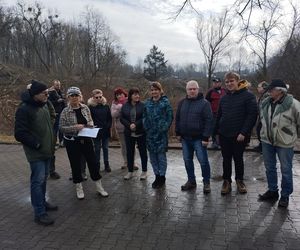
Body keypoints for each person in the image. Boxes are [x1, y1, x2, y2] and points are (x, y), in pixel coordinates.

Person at [14, 80, 58, 226]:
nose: (47, 95)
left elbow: (51, 117)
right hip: (36, 152)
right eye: (44, 93)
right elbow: (19, 133)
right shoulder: (24, 109)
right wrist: (37, 144)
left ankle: (43, 202)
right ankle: (39, 213)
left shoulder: (44, 104)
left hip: (47, 150)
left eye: (47, 93)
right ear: (34, 95)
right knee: (37, 181)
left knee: (43, 179)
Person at [59, 86, 108, 199]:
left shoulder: (85, 107)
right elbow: (61, 128)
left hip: (86, 139)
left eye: (77, 95)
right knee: (75, 164)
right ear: (68, 97)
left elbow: (90, 119)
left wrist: (90, 124)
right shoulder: (65, 111)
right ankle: (79, 188)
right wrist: (74, 127)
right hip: (72, 141)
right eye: (72, 95)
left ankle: (99, 187)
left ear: (80, 97)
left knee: (93, 163)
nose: (75, 97)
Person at [258, 79, 300, 208]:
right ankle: (272, 191)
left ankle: (285, 196)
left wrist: (293, 135)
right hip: (267, 141)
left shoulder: (293, 104)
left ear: (281, 91)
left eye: (272, 89)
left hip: (285, 143)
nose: (269, 91)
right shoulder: (266, 103)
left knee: (286, 170)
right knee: (270, 168)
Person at [215, 72, 257, 195]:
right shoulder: (224, 97)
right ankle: (226, 181)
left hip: (239, 135)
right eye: (227, 82)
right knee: (226, 159)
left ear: (238, 81)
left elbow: (252, 115)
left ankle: (240, 180)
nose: (229, 84)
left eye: (231, 81)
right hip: (224, 134)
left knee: (238, 159)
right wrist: (216, 131)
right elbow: (219, 115)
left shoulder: (248, 96)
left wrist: (244, 132)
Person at [175, 80, 213, 193]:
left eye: (194, 89)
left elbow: (209, 121)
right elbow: (177, 118)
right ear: (186, 90)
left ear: (198, 89)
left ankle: (206, 183)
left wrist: (206, 137)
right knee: (187, 160)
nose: (192, 91)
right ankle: (191, 181)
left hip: (199, 139)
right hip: (185, 139)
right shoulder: (182, 102)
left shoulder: (205, 103)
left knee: (203, 161)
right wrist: (178, 132)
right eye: (189, 89)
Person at [143, 82, 173, 188]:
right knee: (152, 157)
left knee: (161, 157)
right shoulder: (147, 103)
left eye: (156, 90)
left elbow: (170, 117)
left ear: (160, 90)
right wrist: (146, 126)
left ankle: (162, 176)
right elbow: (144, 116)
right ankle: (156, 175)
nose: (154, 92)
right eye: (152, 90)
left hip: (161, 135)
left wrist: (164, 127)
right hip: (150, 135)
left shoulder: (165, 102)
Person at [120, 87, 148, 180]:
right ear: (130, 96)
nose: (137, 96)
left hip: (141, 132)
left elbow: (144, 117)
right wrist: (129, 125)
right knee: (129, 153)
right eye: (135, 94)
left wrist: (135, 124)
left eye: (138, 94)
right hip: (129, 133)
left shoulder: (143, 105)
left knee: (143, 152)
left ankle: (144, 171)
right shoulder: (125, 106)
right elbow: (122, 118)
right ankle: (130, 172)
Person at [111, 87, 139, 170]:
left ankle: (133, 162)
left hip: (130, 127)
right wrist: (119, 108)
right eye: (117, 95)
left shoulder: (129, 101)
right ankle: (126, 162)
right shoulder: (114, 103)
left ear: (124, 94)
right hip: (120, 128)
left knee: (132, 146)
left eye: (120, 94)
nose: (119, 96)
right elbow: (113, 115)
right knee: (124, 146)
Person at [88, 89, 112, 172]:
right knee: (97, 149)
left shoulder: (106, 106)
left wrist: (108, 126)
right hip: (96, 131)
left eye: (100, 97)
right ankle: (97, 165)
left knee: (105, 148)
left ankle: (107, 165)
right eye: (96, 97)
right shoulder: (90, 107)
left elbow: (109, 118)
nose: (98, 98)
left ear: (102, 96)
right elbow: (89, 119)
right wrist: (92, 127)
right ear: (93, 98)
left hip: (105, 130)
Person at [48, 79, 65, 179]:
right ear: (53, 85)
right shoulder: (50, 93)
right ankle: (49, 171)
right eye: (56, 85)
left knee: (60, 129)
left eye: (59, 84)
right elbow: (50, 102)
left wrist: (63, 103)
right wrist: (57, 101)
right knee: (55, 130)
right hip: (55, 114)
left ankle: (61, 141)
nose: (58, 86)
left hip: (60, 113)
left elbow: (63, 100)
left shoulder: (60, 92)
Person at [205, 77, 226, 149]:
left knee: (222, 127)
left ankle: (222, 142)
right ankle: (214, 142)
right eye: (214, 82)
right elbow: (206, 102)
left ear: (220, 83)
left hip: (224, 113)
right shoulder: (210, 92)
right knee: (214, 127)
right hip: (213, 113)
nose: (216, 84)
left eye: (217, 82)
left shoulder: (225, 91)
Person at [253, 81, 269, 153]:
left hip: (264, 118)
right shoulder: (263, 95)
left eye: (259, 87)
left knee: (261, 131)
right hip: (261, 117)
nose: (257, 88)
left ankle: (263, 148)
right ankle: (261, 145)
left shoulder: (267, 96)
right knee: (259, 131)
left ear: (264, 88)